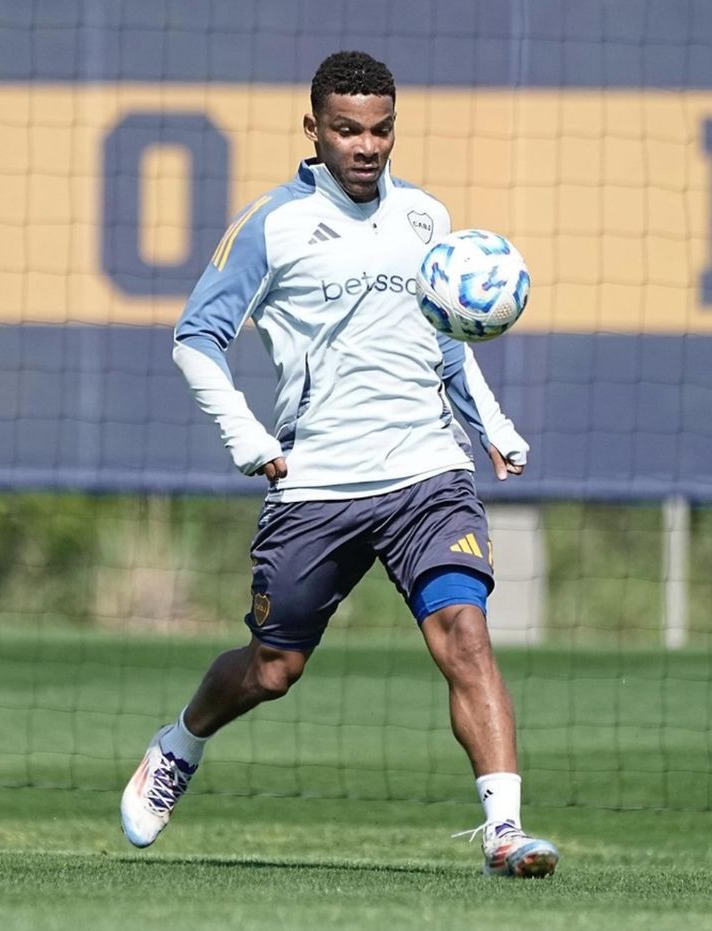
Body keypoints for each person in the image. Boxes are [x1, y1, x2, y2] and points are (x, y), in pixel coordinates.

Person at [121, 50, 558, 878]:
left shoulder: (428, 219)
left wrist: (490, 425)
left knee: (465, 634)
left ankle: (505, 830)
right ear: (314, 130)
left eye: (381, 129)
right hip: (315, 486)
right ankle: (179, 742)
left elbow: (447, 343)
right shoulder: (271, 225)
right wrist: (250, 438)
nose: (367, 145)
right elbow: (195, 340)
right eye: (348, 129)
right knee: (273, 668)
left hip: (427, 475)